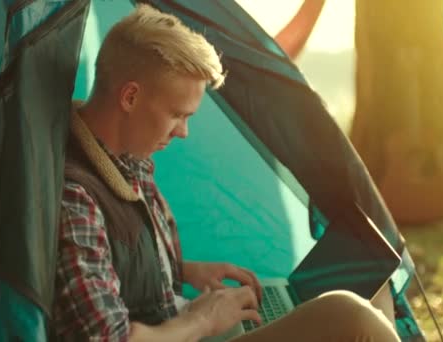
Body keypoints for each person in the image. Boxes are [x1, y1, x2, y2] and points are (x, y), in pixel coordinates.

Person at [54, 4, 400, 342]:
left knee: (372, 290)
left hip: (181, 319)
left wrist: (184, 271)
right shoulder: (75, 199)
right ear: (130, 97)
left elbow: (118, 259)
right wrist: (203, 320)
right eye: (178, 114)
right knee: (350, 315)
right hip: (185, 330)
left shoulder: (123, 156)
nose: (183, 132)